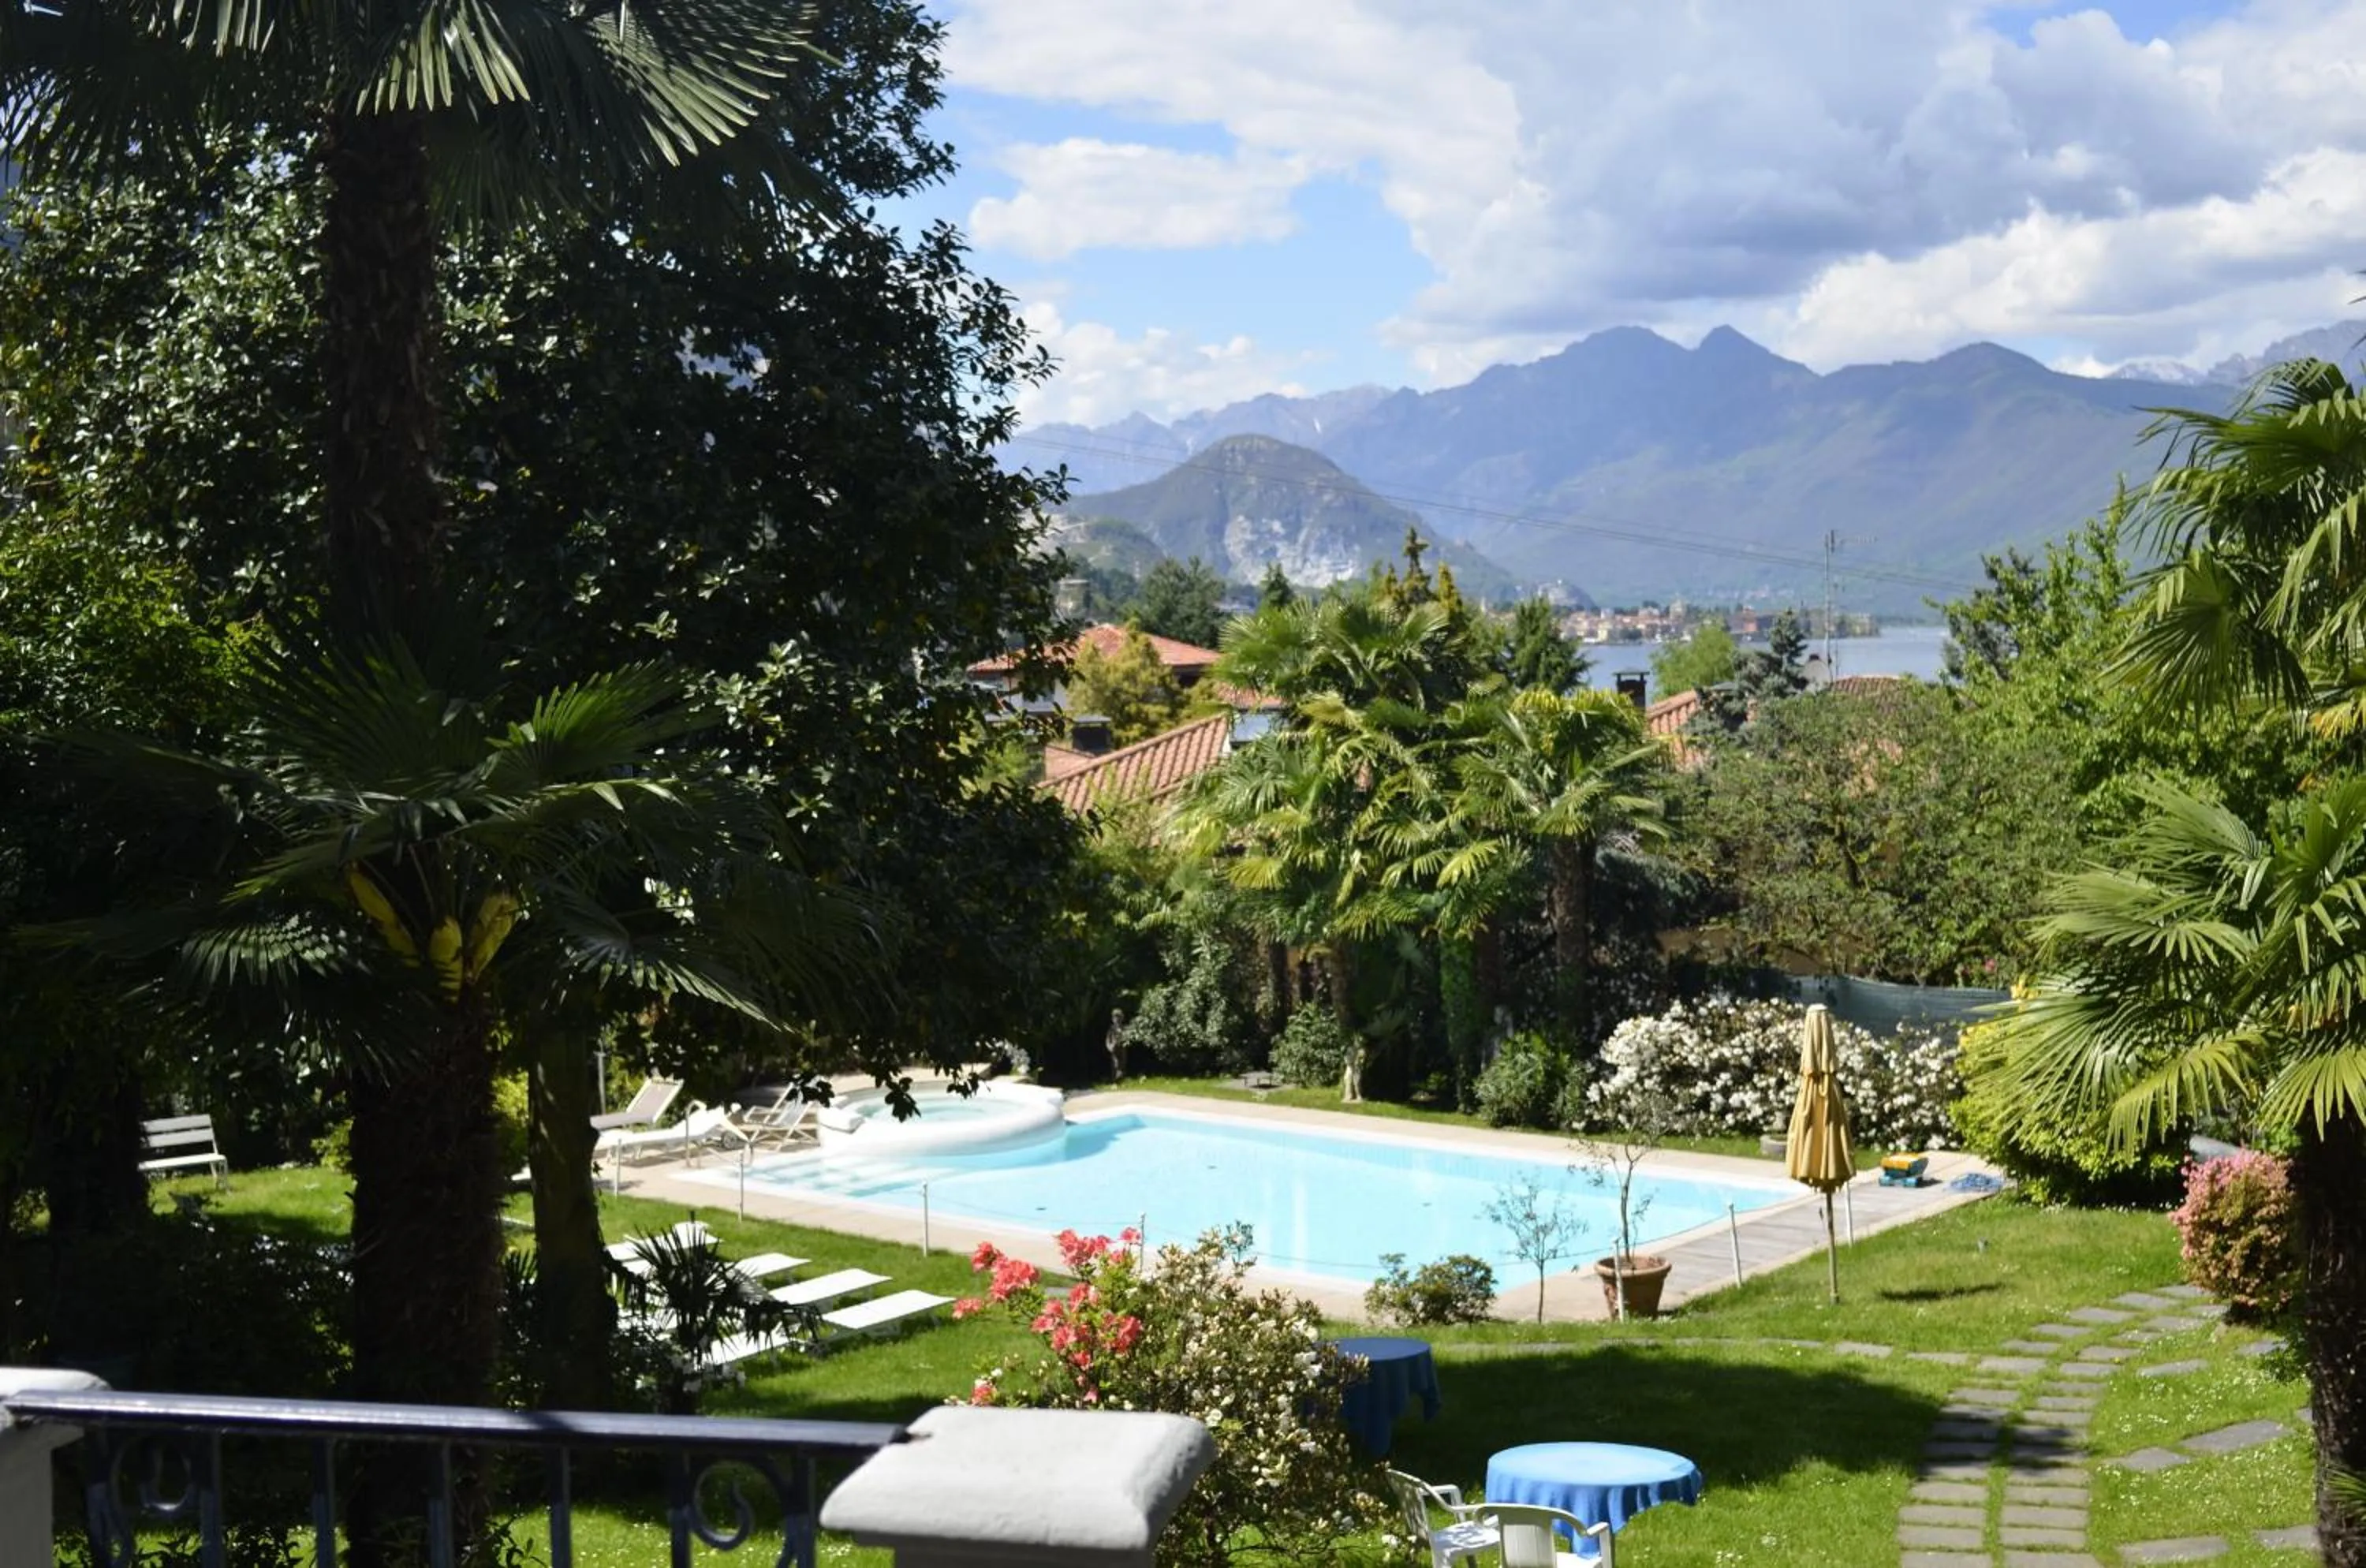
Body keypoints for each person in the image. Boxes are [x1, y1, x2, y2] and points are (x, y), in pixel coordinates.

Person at [1105, 1007, 1128, 1082]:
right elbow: (1108, 1039)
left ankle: (1121, 1079)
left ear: (1122, 1018)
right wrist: (1109, 1046)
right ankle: (1114, 1080)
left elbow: (1127, 1037)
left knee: (1122, 1064)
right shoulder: (1112, 1029)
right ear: (1113, 1019)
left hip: (1122, 1048)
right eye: (1115, 1017)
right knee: (1115, 1064)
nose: (1117, 1019)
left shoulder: (1124, 1028)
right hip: (1114, 1048)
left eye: (1119, 1017)